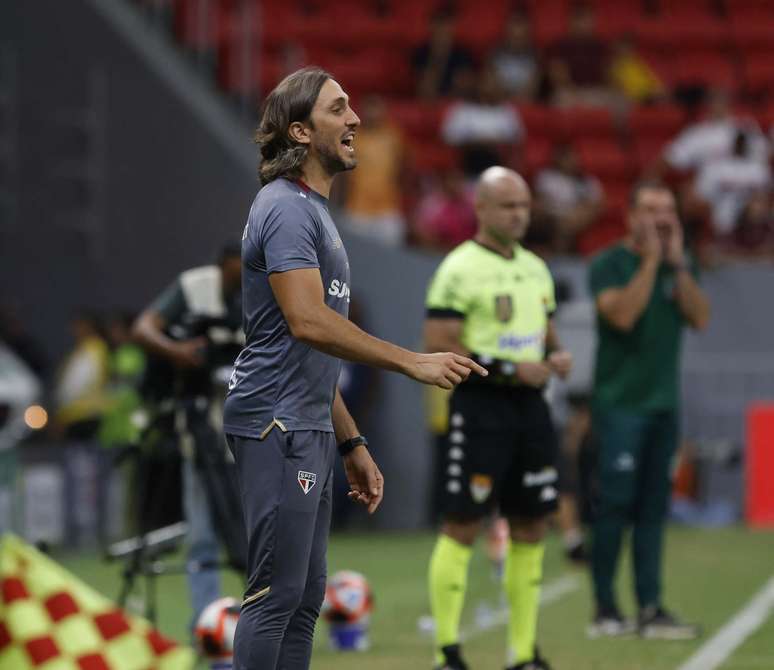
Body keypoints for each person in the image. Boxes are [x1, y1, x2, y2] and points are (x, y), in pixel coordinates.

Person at [221, 67, 486, 670]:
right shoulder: (285, 208)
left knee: (305, 599)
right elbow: (308, 323)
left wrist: (351, 439)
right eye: (338, 110)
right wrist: (410, 360)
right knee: (273, 595)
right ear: (300, 130)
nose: (355, 119)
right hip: (275, 424)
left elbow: (312, 349)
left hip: (306, 424)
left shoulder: (311, 211)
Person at [424, 166, 573, 670]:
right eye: (509, 205)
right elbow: (438, 343)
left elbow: (545, 329)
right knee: (463, 521)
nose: (519, 214)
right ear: (482, 209)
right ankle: (448, 652)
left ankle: (523, 653)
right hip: (481, 407)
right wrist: (511, 367)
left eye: (525, 205)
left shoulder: (536, 267)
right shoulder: (458, 268)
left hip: (530, 410)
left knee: (531, 524)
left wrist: (557, 356)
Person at [588, 181, 710, 639]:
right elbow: (622, 315)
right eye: (651, 209)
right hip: (620, 405)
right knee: (615, 505)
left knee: (655, 508)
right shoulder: (609, 263)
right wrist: (654, 261)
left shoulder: (679, 266)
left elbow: (700, 317)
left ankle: (650, 606)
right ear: (631, 217)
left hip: (663, 406)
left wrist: (677, 266)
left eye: (668, 210)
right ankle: (605, 608)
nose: (661, 218)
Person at [132, 244, 245, 627]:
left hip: (253, 425)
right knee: (203, 531)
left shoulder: (270, 284)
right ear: (221, 268)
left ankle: (269, 621)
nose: (238, 281)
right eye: (232, 274)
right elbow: (144, 328)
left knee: (262, 528)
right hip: (199, 425)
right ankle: (206, 622)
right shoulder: (196, 286)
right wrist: (177, 351)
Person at [342, 95, 408, 246]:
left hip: (387, 209)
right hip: (357, 209)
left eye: (376, 109)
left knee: (390, 257)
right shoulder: (352, 138)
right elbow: (342, 175)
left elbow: (403, 169)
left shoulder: (393, 137)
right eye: (369, 110)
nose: (372, 114)